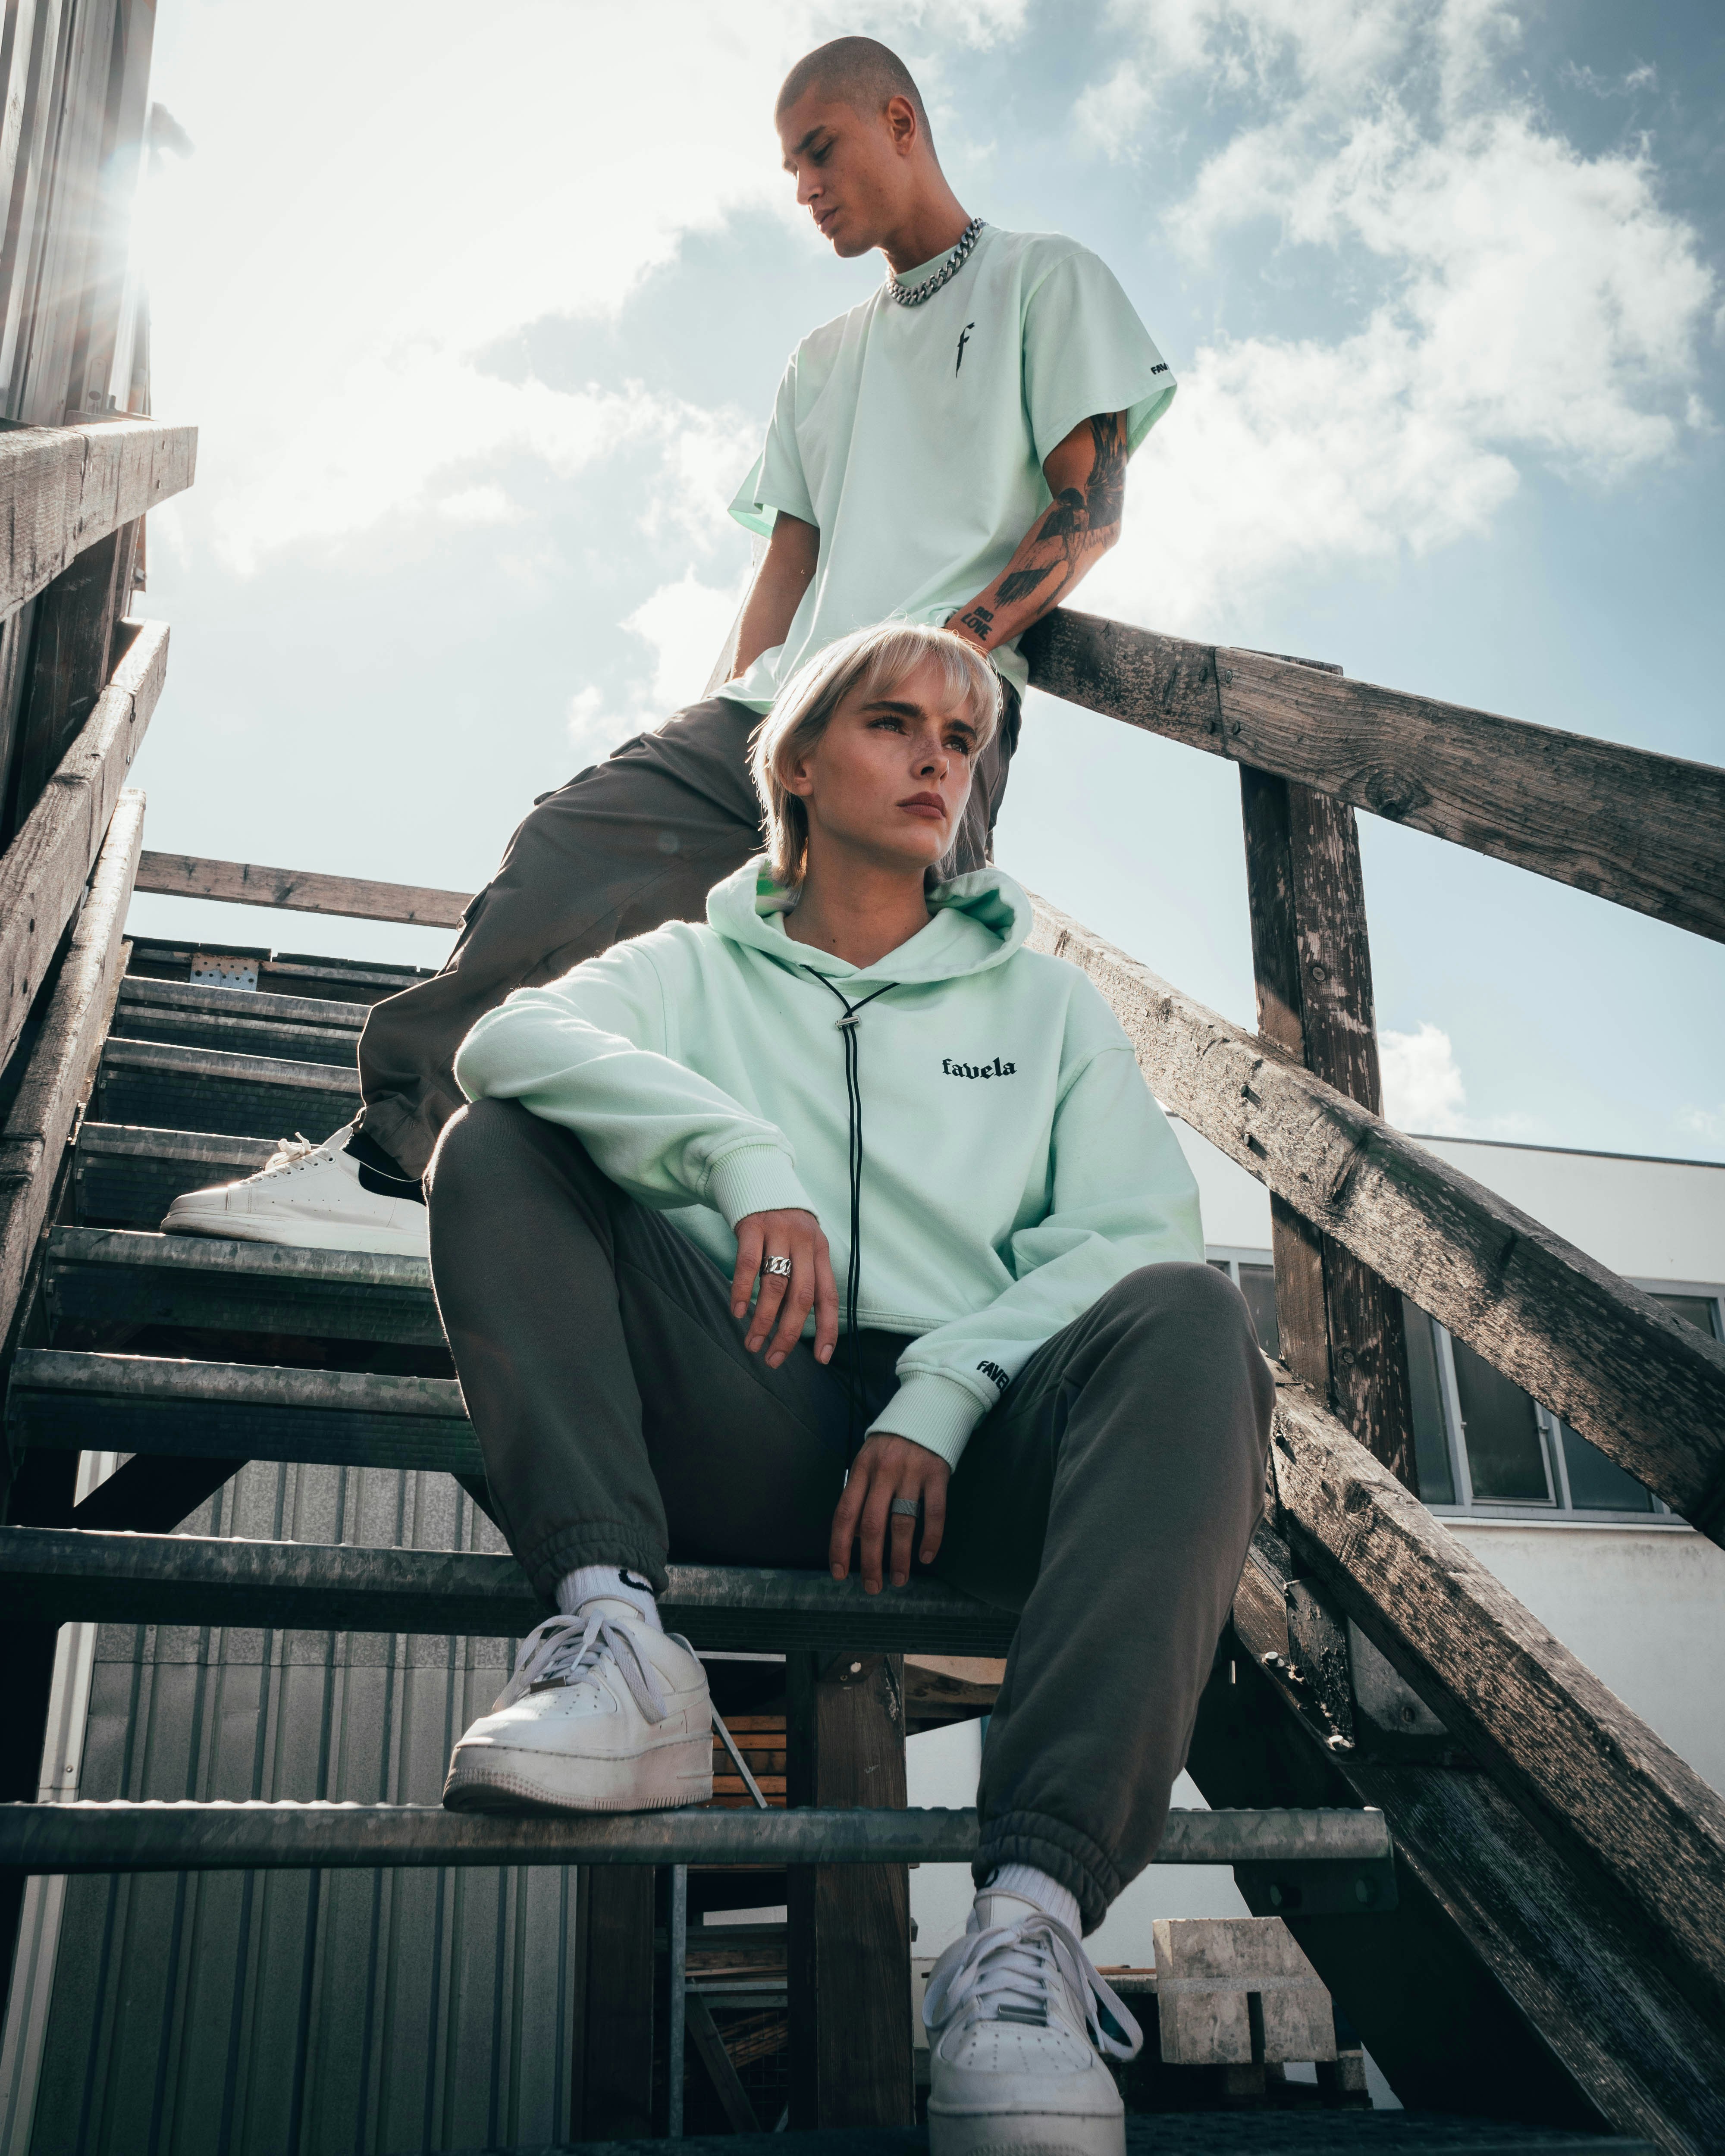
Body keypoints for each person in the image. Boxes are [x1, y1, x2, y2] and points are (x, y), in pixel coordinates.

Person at [423, 622, 1273, 2156]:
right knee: (500, 1140)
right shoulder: (689, 968)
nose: (943, 757)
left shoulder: (1049, 1010)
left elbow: (1132, 1233)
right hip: (748, 1403)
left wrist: (944, 1389)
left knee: (1191, 1313)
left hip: (983, 1455)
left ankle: (1022, 1942)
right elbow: (511, 1035)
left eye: (967, 737)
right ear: (799, 767)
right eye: (897, 724)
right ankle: (618, 1638)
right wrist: (740, 1159)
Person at [158, 34, 1179, 1259]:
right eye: (789, 166)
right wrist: (708, 723)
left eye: (822, 150)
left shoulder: (1045, 282)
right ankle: (399, 1166)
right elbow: (785, 570)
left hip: (926, 726)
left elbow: (1091, 511)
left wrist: (935, 660)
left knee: (862, 1014)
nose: (804, 186)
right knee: (564, 850)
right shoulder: (822, 360)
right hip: (773, 714)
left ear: (901, 123)